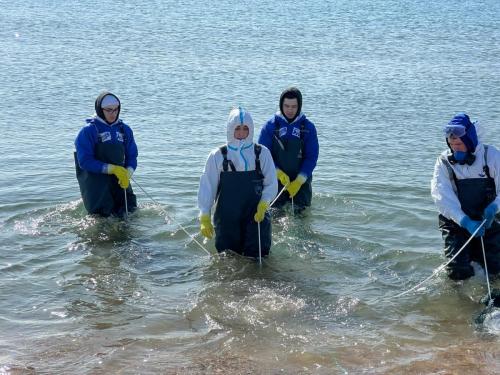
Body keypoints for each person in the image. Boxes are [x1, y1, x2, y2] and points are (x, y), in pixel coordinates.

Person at [198, 107, 278, 257]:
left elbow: (271, 183)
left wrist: (264, 203)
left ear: (251, 129)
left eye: (245, 129)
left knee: (258, 256)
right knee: (228, 258)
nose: (241, 133)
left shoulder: (262, 153)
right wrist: (204, 215)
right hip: (227, 216)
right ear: (230, 129)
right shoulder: (217, 155)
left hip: (256, 214)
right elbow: (207, 186)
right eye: (238, 129)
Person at [431, 113, 500, 281]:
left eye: (460, 144)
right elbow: (442, 197)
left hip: (488, 219)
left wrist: (494, 207)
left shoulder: (490, 156)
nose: (456, 148)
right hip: (456, 221)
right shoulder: (444, 162)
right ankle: (460, 300)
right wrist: (465, 222)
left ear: (469, 140)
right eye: (452, 144)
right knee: (457, 270)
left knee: (495, 267)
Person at [74, 92, 138, 217]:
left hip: (120, 181)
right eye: (108, 110)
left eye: (115, 110)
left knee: (130, 212)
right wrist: (111, 169)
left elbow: (132, 156)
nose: (113, 114)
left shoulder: (124, 129)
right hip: (97, 185)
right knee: (102, 220)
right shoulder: (88, 131)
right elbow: (84, 161)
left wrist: (128, 172)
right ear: (100, 109)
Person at [258, 87, 319, 212]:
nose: (290, 110)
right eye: (286, 106)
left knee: (301, 217)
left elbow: (311, 157)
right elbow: (263, 155)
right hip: (275, 181)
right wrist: (277, 172)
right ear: (281, 105)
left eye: (294, 106)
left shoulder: (308, 128)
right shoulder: (269, 127)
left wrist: (299, 180)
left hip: (301, 183)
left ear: (299, 106)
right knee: (275, 216)